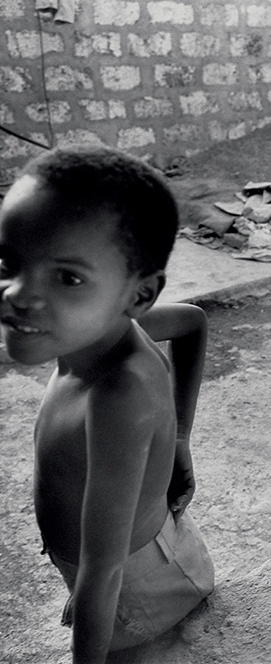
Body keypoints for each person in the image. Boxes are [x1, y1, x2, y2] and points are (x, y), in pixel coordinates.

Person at [0, 144, 215, 662]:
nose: (17, 294)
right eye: (9, 261)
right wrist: (179, 436)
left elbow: (104, 573)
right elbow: (194, 323)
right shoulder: (102, 332)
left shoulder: (118, 396)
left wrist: (93, 598)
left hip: (137, 587)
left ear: (138, 295)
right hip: (122, 562)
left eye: (68, 277)